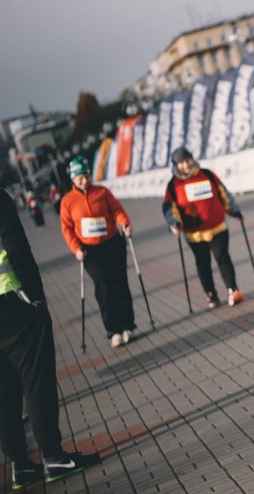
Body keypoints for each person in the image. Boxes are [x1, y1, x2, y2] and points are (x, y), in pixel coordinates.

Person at [0, 189, 101, 488]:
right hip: (13, 300)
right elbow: (16, 248)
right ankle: (53, 456)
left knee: (3, 390)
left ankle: (19, 465)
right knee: (36, 378)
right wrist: (36, 297)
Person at [59, 156, 137, 349]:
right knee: (103, 287)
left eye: (86, 176)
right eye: (80, 178)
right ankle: (113, 330)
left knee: (120, 284)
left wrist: (124, 223)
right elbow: (67, 228)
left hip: (112, 243)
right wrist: (76, 249)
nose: (84, 181)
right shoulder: (68, 201)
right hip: (90, 251)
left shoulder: (102, 192)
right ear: (73, 180)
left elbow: (117, 210)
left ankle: (128, 325)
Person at [162, 147, 244, 309]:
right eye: (181, 163)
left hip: (217, 227)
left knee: (222, 257)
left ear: (193, 159)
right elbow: (170, 208)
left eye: (188, 160)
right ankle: (211, 293)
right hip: (194, 234)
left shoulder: (207, 175)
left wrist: (234, 211)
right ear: (176, 166)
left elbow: (224, 194)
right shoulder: (173, 186)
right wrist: (175, 223)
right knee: (203, 263)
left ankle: (233, 290)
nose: (186, 165)